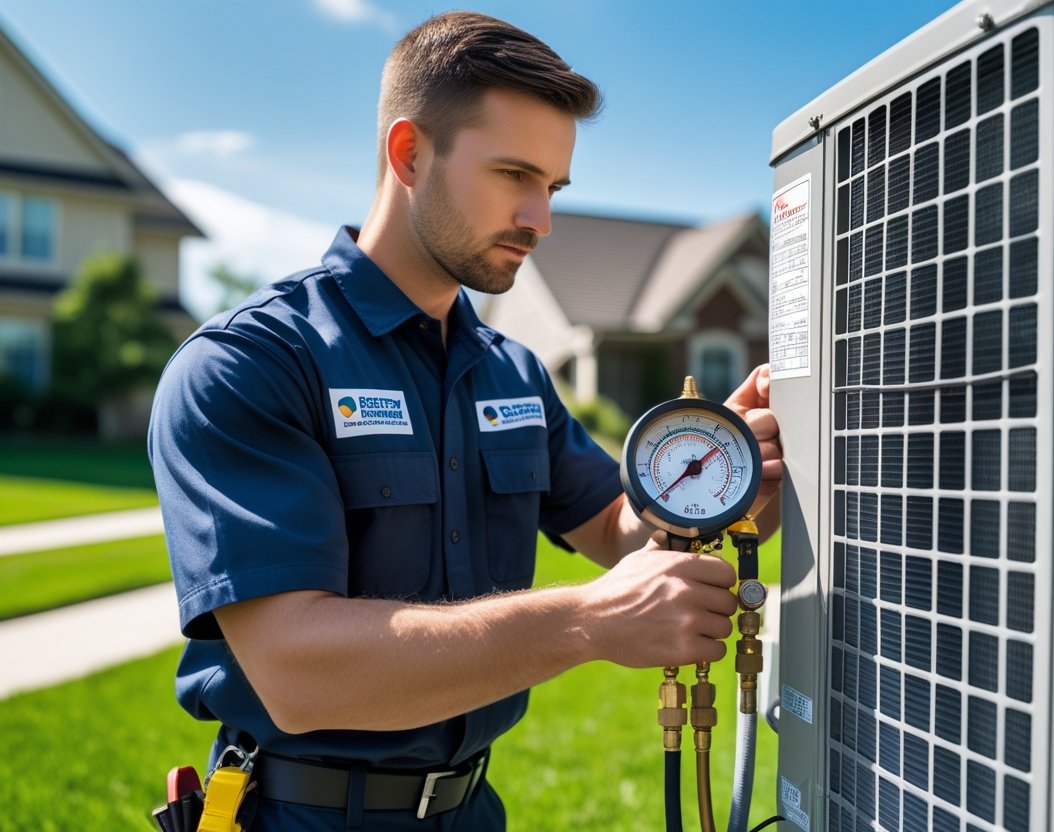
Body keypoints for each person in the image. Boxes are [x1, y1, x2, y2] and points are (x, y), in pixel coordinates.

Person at [148, 11, 782, 831]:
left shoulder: (510, 371)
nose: (540, 220)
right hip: (299, 814)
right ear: (408, 153)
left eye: (551, 188)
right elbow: (300, 672)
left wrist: (714, 467)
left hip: (472, 808)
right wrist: (591, 619)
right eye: (513, 174)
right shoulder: (251, 365)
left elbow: (622, 528)